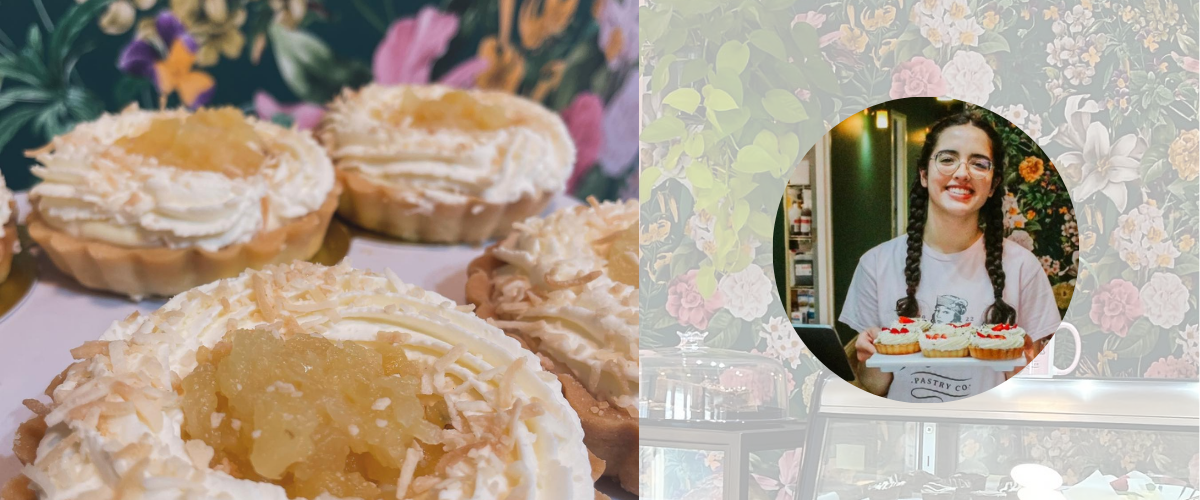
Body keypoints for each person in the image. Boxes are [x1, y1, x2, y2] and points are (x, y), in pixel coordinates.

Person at [839, 112, 1061, 402]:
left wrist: (1025, 361)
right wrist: (872, 359)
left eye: (979, 163)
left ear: (993, 185)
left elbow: (1034, 393)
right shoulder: (876, 264)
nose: (962, 173)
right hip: (904, 435)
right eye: (947, 159)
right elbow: (873, 389)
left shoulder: (1022, 268)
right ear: (923, 174)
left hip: (990, 435)